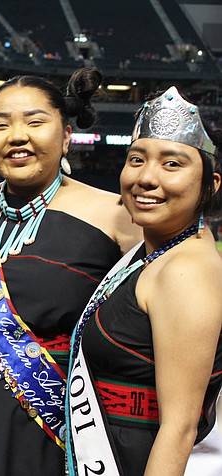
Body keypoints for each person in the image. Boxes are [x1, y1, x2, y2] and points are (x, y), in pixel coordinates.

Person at [0, 67, 141, 475]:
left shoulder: (119, 216)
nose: (17, 136)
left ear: (66, 137)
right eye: (0, 124)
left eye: (35, 122)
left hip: (50, 419)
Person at [66, 87, 222, 476]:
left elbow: (180, 429)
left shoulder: (185, 273)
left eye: (173, 164)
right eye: (136, 159)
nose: (146, 178)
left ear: (211, 184)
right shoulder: (159, 252)